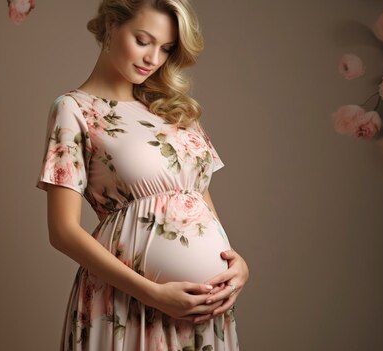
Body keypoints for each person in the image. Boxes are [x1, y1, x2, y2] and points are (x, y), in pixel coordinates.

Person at [34, 0, 249, 350]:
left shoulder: (175, 108)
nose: (153, 58)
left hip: (205, 310)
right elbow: (62, 231)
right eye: (143, 40)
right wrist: (155, 294)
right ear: (110, 26)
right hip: (129, 302)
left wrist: (236, 264)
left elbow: (198, 197)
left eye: (165, 49)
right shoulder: (74, 109)